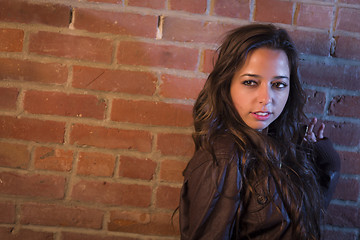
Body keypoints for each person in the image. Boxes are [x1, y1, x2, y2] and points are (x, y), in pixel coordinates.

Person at [179, 24, 340, 240]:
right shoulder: (223, 159)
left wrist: (325, 161)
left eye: (278, 85)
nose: (266, 98)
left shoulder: (281, 144)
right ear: (226, 85)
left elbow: (307, 218)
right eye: (250, 82)